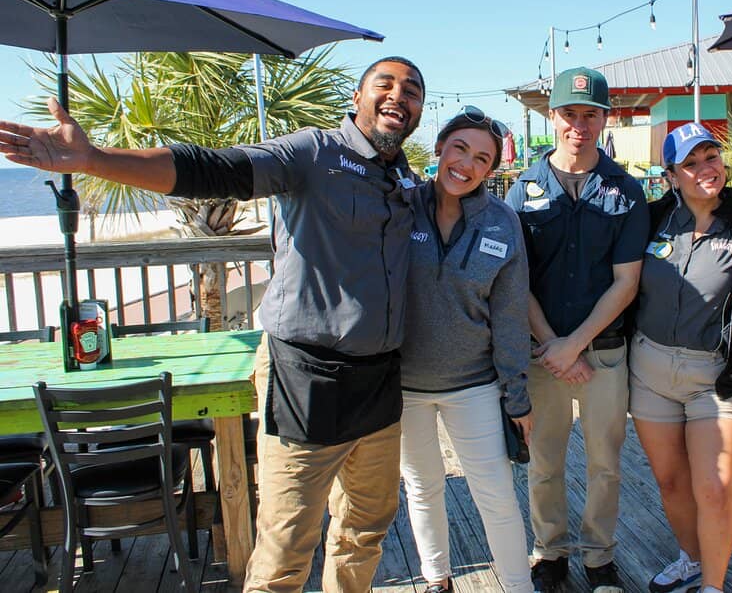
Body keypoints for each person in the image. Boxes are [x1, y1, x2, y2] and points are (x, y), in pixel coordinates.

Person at [0, 57, 426, 593]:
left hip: (381, 380)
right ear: (357, 98)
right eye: (384, 84)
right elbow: (214, 168)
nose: (398, 95)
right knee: (287, 546)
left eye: (411, 90)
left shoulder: (403, 177)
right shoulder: (313, 153)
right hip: (307, 376)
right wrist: (94, 159)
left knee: (365, 529)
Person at [506, 67, 648, 593]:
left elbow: (626, 283)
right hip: (543, 355)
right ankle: (549, 553)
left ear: (604, 118)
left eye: (590, 114)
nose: (579, 125)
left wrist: (576, 344)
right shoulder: (522, 191)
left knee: (605, 464)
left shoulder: (626, 191)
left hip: (604, 354)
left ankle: (599, 556)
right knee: (544, 462)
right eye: (570, 114)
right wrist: (554, 347)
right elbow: (515, 282)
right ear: (553, 115)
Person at [399, 106, 534, 593]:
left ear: (491, 170)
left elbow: (511, 315)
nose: (467, 164)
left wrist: (517, 396)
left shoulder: (502, 222)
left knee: (495, 494)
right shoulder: (399, 206)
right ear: (439, 148)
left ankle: (519, 586)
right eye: (459, 148)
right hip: (402, 386)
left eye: (482, 158)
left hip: (474, 385)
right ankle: (437, 579)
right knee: (422, 486)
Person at [631, 123, 732, 593]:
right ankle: (692, 559)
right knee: (671, 483)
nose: (705, 169)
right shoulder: (647, 221)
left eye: (711, 157)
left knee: (716, 488)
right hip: (649, 370)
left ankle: (714, 586)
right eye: (691, 162)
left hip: (715, 377)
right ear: (671, 174)